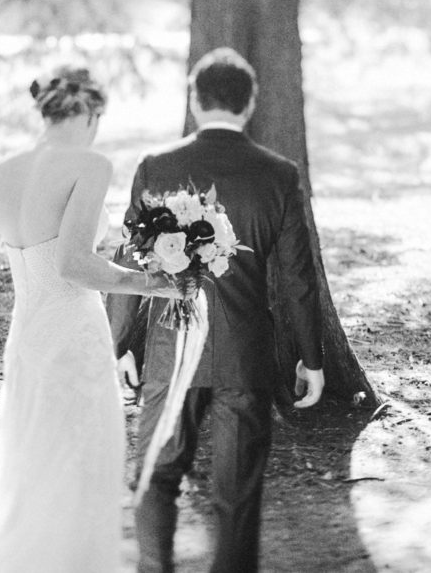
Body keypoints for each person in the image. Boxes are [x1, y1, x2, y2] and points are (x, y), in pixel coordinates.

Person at [0, 66, 181, 573]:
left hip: (27, 343)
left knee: (31, 472)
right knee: (80, 473)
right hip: (74, 342)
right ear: (93, 115)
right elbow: (75, 265)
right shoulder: (90, 165)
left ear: (45, 110)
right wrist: (149, 283)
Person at [109, 47, 325, 573]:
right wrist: (311, 359)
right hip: (244, 355)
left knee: (155, 477)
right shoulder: (279, 174)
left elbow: (129, 263)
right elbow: (298, 276)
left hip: (168, 351)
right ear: (249, 105)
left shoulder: (156, 167)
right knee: (237, 496)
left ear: (194, 98)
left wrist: (119, 345)